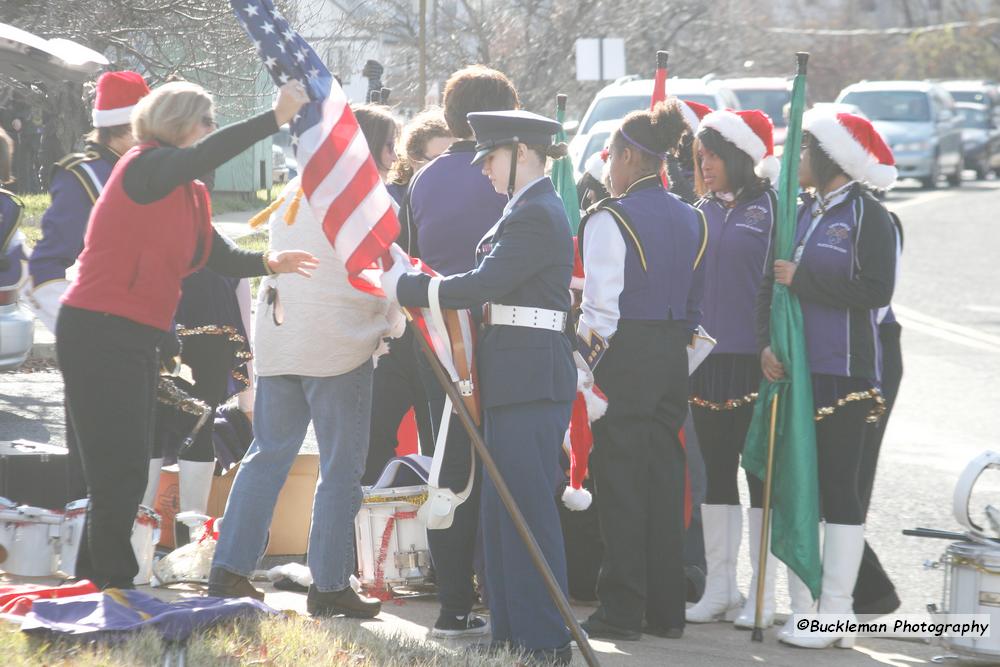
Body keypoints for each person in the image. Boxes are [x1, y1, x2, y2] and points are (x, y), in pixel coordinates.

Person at [56, 79, 317, 590]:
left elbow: (215, 255)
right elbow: (203, 156)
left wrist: (269, 260)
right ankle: (108, 582)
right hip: (95, 330)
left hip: (134, 337)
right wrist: (273, 119)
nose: (211, 130)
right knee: (117, 468)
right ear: (177, 124)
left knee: (127, 467)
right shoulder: (145, 166)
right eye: (205, 119)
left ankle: (98, 580)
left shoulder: (188, 191)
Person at [384, 109, 576, 664]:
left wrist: (409, 286)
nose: (485, 171)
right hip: (511, 375)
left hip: (530, 377)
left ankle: (543, 638)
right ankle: (513, 634)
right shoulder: (523, 209)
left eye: (490, 158)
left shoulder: (536, 211)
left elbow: (486, 284)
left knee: (526, 513)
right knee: (500, 513)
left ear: (520, 152)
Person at [209, 167, 395, 617]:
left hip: (283, 336)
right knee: (339, 469)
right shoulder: (356, 191)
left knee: (267, 455)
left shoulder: (296, 188)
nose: (389, 158)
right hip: (337, 343)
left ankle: (229, 568)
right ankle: (329, 584)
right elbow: (376, 268)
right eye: (386, 147)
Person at [757, 111, 897, 649]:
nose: (796, 161)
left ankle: (836, 615)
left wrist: (806, 280)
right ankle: (806, 608)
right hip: (799, 373)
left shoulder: (869, 215)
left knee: (839, 490)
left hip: (848, 375)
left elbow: (876, 290)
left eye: (804, 151)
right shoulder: (799, 214)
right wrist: (769, 345)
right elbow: (772, 290)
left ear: (830, 158)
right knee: (801, 490)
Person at [575, 100, 707, 641]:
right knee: (662, 479)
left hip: (625, 357)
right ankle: (666, 610)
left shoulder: (610, 217)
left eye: (611, 156)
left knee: (622, 484)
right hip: (674, 356)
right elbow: (697, 306)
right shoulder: (694, 215)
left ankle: (622, 609)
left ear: (629, 156)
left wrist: (582, 371)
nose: (607, 166)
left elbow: (600, 312)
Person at [401, 66, 518, 639]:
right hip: (495, 330)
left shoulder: (425, 179)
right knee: (498, 467)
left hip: (435, 332)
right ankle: (495, 594)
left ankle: (453, 601)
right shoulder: (506, 173)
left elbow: (416, 252)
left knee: (447, 461)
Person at [684, 109, 780, 628]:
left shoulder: (773, 209)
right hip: (706, 361)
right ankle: (722, 588)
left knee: (758, 477)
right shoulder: (698, 209)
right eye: (701, 155)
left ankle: (762, 593)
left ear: (742, 158)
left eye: (715, 155)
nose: (706, 164)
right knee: (716, 477)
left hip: (756, 363)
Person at [358, 105, 438, 484]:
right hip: (389, 341)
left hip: (433, 335)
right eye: (433, 159)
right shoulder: (386, 201)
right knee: (370, 437)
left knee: (438, 442)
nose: (442, 170)